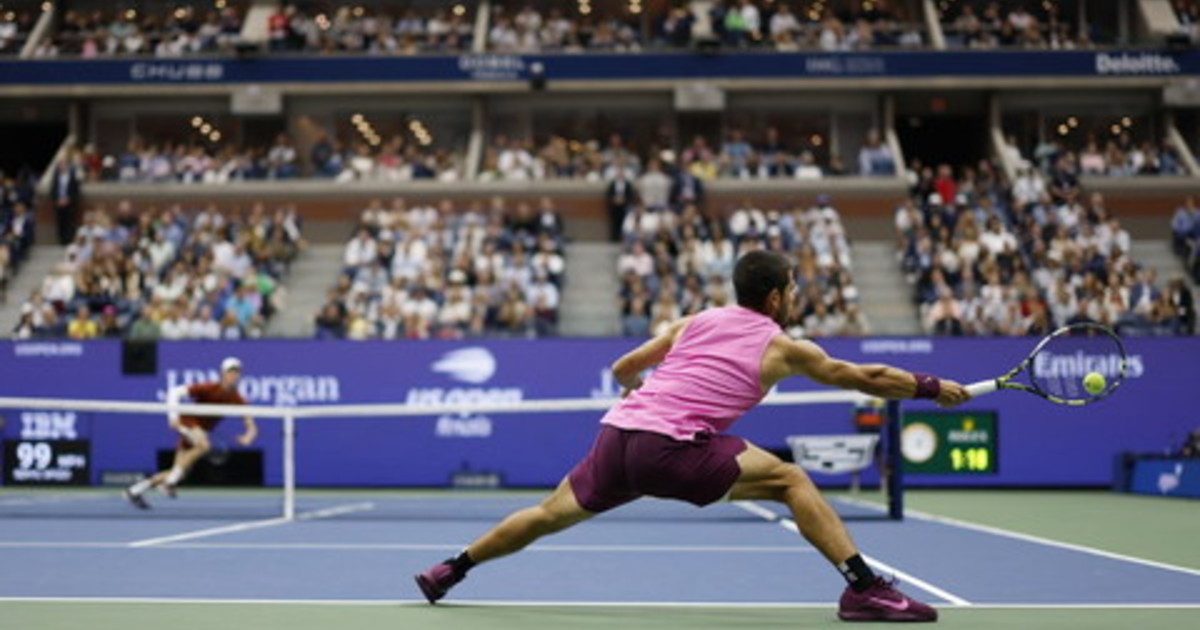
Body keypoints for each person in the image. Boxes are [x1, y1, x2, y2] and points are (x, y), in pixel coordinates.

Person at [414, 251, 970, 622]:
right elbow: (865, 378)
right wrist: (932, 385)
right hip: (670, 448)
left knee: (547, 513)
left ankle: (450, 570)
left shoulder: (697, 321)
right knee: (791, 479)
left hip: (619, 436)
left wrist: (637, 392)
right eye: (793, 288)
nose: (795, 296)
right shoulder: (784, 346)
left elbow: (624, 366)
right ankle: (864, 588)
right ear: (776, 298)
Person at [124, 357, 257, 509]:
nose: (233, 375)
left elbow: (250, 423)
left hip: (200, 432)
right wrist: (173, 417)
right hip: (188, 424)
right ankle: (171, 482)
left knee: (178, 471)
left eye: (236, 372)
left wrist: (249, 435)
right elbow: (174, 392)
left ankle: (134, 491)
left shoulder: (236, 398)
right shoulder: (209, 388)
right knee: (204, 445)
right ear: (222, 373)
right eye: (230, 372)